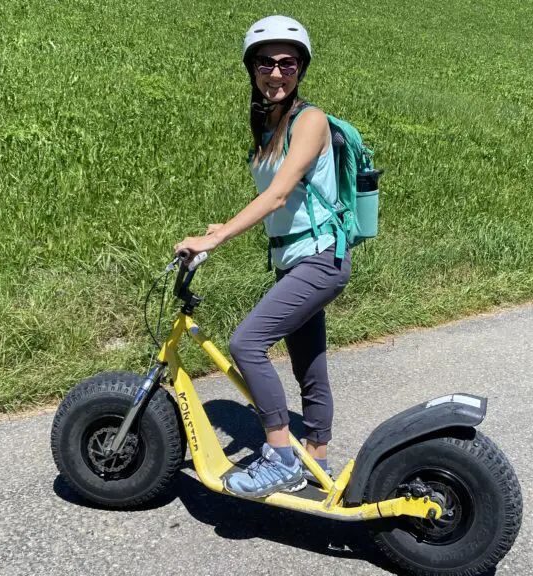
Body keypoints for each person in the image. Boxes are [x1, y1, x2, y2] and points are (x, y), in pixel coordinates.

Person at [173, 15, 351, 498]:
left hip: (322, 259)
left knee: (247, 344)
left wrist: (218, 238)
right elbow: (283, 205)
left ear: (301, 69)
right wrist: (220, 226)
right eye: (266, 63)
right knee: (309, 365)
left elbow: (277, 196)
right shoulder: (269, 124)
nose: (277, 73)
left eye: (287, 63)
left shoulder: (309, 120)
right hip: (299, 261)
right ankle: (316, 461)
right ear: (252, 68)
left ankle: (280, 459)